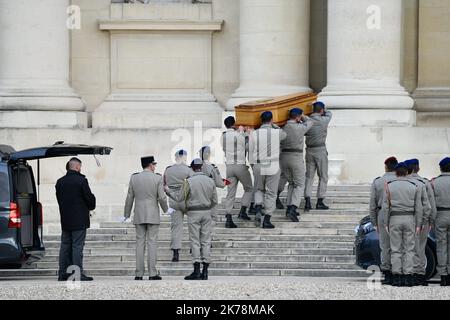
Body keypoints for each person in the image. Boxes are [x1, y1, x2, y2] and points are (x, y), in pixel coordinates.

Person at [167, 159, 218, 280]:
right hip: (206, 212)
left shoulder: (188, 181)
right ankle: (205, 271)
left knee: (195, 241)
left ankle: (196, 270)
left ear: (192, 168)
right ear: (201, 167)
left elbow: (179, 198)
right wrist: (207, 207)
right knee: (206, 241)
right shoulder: (210, 181)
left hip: (194, 212)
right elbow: (215, 200)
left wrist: (169, 193)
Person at [124, 156, 168, 281]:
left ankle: (139, 274)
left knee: (139, 244)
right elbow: (162, 197)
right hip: (153, 214)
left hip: (139, 213)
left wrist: (126, 214)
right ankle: (152, 273)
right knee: (152, 244)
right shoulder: (157, 178)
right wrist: (166, 209)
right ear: (150, 165)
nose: (155, 167)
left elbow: (129, 197)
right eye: (154, 164)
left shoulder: (134, 177)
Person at [381, 162, 423, 287]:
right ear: (406, 172)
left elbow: (385, 207)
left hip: (394, 218)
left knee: (395, 249)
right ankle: (408, 277)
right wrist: (418, 223)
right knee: (409, 249)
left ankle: (397, 277)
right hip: (410, 218)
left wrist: (386, 222)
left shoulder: (389, 186)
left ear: (395, 172)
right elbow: (419, 207)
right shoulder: (414, 185)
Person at [55, 157, 96, 282]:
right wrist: (92, 202)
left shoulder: (60, 182)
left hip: (66, 219)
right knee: (77, 246)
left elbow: (59, 199)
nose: (80, 169)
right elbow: (89, 199)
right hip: (79, 219)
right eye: (80, 166)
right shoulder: (81, 181)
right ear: (77, 167)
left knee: (65, 246)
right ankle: (77, 273)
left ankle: (63, 273)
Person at [249, 111, 287, 229]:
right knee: (271, 193)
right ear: (271, 120)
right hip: (273, 165)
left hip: (259, 164)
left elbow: (249, 149)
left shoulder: (254, 134)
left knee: (259, 189)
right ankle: (267, 219)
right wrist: (274, 125)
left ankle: (259, 208)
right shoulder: (277, 132)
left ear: (261, 121)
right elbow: (285, 135)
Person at [405, 158, 435, 286]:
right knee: (421, 248)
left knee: (405, 248)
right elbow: (430, 205)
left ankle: (407, 275)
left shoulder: (402, 183)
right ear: (418, 168)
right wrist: (430, 220)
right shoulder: (424, 183)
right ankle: (420, 275)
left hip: (405, 219)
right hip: (422, 221)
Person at [369, 156, 398, 285]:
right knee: (398, 246)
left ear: (385, 167)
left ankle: (386, 273)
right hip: (398, 214)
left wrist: (374, 222)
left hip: (382, 214)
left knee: (385, 246)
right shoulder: (401, 180)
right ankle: (398, 272)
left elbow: (372, 205)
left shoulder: (378, 182)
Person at [280, 108, 313, 222]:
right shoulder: (300, 127)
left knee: (291, 184)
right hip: (296, 157)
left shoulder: (282, 127)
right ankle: (293, 208)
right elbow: (310, 122)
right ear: (298, 117)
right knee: (299, 184)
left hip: (283, 157)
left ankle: (289, 207)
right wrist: (303, 116)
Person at [221, 116, 253, 226]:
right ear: (234, 124)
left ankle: (228, 217)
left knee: (230, 193)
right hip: (240, 165)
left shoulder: (223, 136)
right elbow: (247, 147)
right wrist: (248, 133)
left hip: (229, 167)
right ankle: (243, 211)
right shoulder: (238, 135)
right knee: (249, 188)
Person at [163, 150, 192, 262]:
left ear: (175, 157)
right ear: (184, 157)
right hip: (187, 200)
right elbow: (192, 184)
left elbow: (164, 185)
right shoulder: (189, 169)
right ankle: (192, 248)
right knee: (192, 225)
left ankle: (176, 253)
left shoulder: (168, 170)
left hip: (173, 201)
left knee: (176, 227)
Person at [304, 101, 333, 211]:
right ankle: (320, 201)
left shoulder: (307, 121)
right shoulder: (323, 120)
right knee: (323, 176)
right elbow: (329, 113)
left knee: (309, 176)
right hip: (320, 149)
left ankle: (307, 200)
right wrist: (323, 110)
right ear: (321, 110)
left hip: (309, 150)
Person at [199, 146, 228, 233]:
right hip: (210, 196)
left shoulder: (195, 167)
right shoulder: (212, 167)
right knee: (212, 218)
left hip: (198, 196)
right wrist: (225, 182)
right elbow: (220, 183)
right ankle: (206, 239)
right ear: (208, 154)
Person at [431, 157, 450, 286]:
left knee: (441, 246)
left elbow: (430, 204)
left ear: (440, 168)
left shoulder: (434, 182)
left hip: (440, 214)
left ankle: (443, 276)